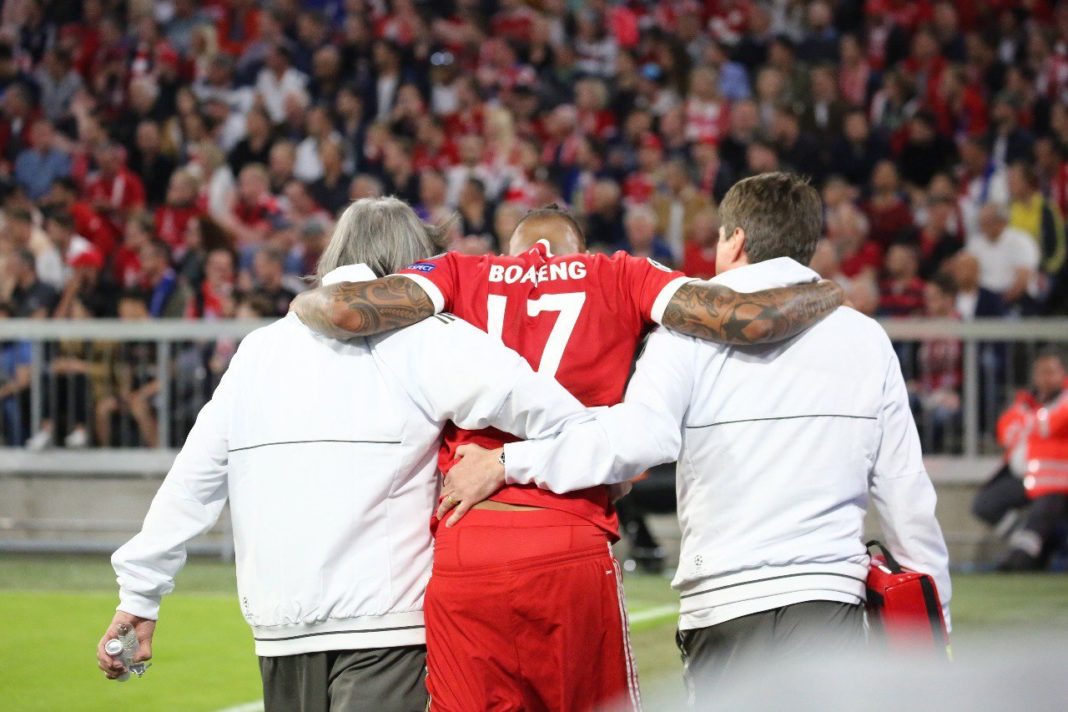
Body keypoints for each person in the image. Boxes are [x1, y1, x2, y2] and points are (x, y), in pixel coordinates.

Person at [292, 204, 843, 711]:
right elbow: (747, 318)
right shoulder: (622, 274)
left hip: (468, 541)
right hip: (567, 538)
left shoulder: (460, 271)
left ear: (510, 253)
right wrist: (830, 295)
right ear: (578, 251)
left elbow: (344, 310)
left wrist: (298, 303)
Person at [439, 173, 951, 707]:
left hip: (723, 602)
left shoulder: (685, 334)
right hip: (830, 595)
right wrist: (937, 629)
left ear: (735, 239)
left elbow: (635, 440)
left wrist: (507, 461)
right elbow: (907, 495)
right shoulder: (865, 338)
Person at [96, 197, 595, 712]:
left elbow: (191, 483)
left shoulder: (259, 351)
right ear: (416, 263)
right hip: (389, 632)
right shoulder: (427, 338)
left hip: (280, 631)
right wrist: (506, 463)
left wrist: (139, 598)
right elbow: (568, 421)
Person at [973, 348, 1068, 571]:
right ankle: (1035, 544)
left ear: (1063, 373)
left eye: (1050, 372)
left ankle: (1021, 559)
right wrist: (1033, 424)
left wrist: (1028, 424)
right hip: (1025, 478)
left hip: (1056, 482)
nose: (1044, 378)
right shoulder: (1027, 400)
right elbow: (1004, 430)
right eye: (1040, 372)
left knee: (1040, 515)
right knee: (985, 503)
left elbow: (1050, 425)